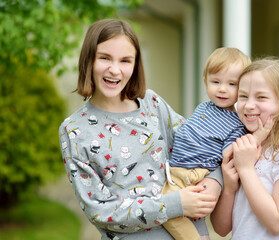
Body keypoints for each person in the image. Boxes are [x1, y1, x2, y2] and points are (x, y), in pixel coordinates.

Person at [58, 18, 222, 240]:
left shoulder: (151, 102)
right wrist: (175, 205)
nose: (114, 70)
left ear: (135, 65)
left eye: (125, 61)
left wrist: (214, 182)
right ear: (88, 60)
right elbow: (99, 210)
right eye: (104, 58)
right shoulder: (74, 129)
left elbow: (201, 146)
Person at [210, 58, 279, 239]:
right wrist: (230, 188)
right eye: (243, 96)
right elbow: (221, 229)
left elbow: (277, 223)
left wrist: (246, 170)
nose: (248, 105)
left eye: (261, 97)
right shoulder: (241, 148)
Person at [161, 47, 255, 240]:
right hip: (176, 171)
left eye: (232, 84)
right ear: (205, 81)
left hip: (197, 173)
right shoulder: (203, 107)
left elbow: (229, 156)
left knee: (170, 212)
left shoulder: (237, 123)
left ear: (243, 89)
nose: (222, 89)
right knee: (173, 209)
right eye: (216, 81)